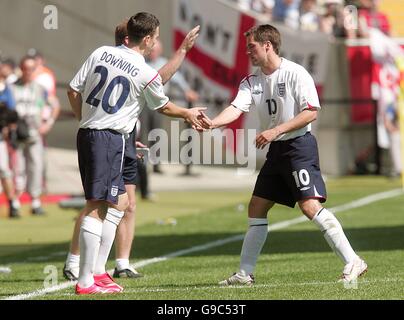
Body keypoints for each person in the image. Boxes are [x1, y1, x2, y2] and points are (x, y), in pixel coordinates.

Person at [200, 24, 367, 286]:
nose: (248, 52)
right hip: (277, 151)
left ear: (268, 45)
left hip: (299, 147)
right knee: (257, 206)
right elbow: (235, 108)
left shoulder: (295, 73)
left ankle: (353, 260)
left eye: (252, 47)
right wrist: (212, 123)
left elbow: (311, 112)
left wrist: (275, 130)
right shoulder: (252, 81)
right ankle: (245, 273)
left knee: (309, 206)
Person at [67, 12, 203, 295]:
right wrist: (187, 112)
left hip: (93, 134)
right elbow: (163, 106)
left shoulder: (101, 52)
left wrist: (86, 120)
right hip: (108, 139)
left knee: (121, 201)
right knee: (98, 205)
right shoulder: (143, 70)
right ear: (150, 39)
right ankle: (85, 282)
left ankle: (98, 272)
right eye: (156, 36)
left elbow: (72, 90)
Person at [10, 56, 58, 215]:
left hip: (35, 132)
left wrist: (48, 123)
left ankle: (35, 201)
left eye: (31, 69)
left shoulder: (39, 88)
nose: (28, 72)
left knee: (36, 166)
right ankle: (15, 201)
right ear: (21, 69)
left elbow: (54, 104)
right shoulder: (12, 88)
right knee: (18, 168)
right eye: (25, 68)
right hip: (17, 134)